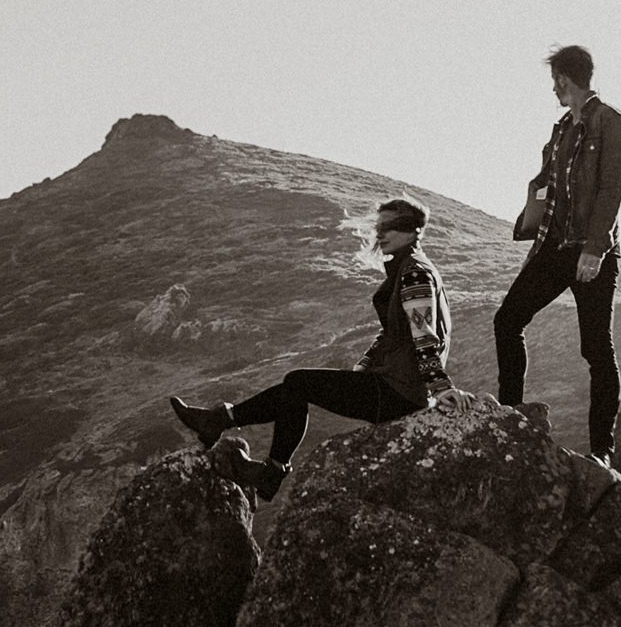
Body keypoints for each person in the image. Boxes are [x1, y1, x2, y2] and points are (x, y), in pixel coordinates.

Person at [170, 197, 455, 501]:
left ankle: (241, 443)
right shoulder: (408, 268)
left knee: (298, 383)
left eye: (389, 227)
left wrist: (441, 388)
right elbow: (394, 332)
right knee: (295, 388)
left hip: (398, 393)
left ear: (412, 230)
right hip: (394, 386)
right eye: (378, 226)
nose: (380, 233)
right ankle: (240, 443)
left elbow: (423, 335)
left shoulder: (414, 273)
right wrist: (365, 363)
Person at [495, 44, 621, 460]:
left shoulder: (611, 122)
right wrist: (533, 233)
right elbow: (549, 190)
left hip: (590, 250)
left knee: (596, 349)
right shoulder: (559, 130)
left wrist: (595, 249)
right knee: (507, 321)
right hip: (553, 248)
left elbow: (612, 189)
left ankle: (602, 451)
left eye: (555, 81)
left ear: (564, 80)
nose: (553, 90)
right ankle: (510, 420)